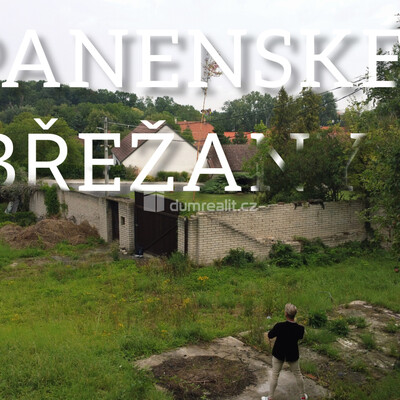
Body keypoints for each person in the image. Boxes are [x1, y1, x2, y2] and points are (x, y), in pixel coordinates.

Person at [261, 303, 308, 400]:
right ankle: (303, 396)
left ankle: (270, 397)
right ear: (294, 314)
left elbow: (270, 335)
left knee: (275, 375)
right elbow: (301, 337)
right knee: (298, 374)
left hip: (279, 353)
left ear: (286, 314)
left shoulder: (279, 326)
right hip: (292, 354)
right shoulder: (300, 328)